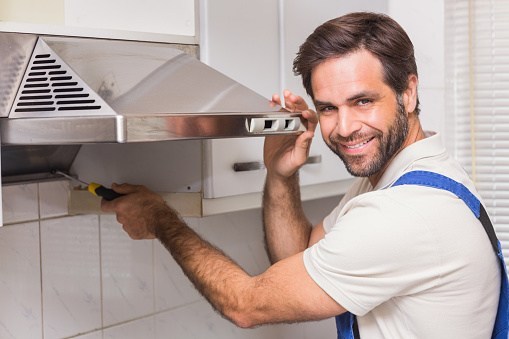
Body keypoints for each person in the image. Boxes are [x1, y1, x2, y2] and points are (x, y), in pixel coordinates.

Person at [101, 12, 507, 338]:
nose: (344, 127)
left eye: (362, 101)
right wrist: (281, 174)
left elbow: (245, 304)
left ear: (408, 92)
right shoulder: (404, 178)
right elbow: (299, 256)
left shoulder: (404, 213)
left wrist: (160, 218)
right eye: (328, 108)